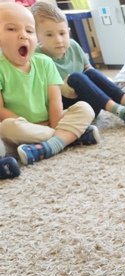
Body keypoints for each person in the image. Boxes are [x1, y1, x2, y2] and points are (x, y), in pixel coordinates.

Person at [30, 1, 125, 128]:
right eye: (49, 35)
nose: (58, 40)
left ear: (68, 32)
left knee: (90, 72)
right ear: (37, 36)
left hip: (92, 103)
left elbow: (90, 72)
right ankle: (122, 112)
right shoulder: (37, 57)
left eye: (62, 33)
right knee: (76, 77)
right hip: (68, 110)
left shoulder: (73, 46)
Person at [0, 3, 97, 167]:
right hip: (23, 127)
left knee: (85, 108)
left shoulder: (45, 62)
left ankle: (52, 144)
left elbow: (54, 100)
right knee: (7, 127)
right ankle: (68, 137)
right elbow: (1, 110)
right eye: (12, 29)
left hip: (51, 121)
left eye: (29, 31)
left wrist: (55, 124)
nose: (23, 35)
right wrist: (45, 129)